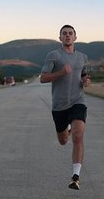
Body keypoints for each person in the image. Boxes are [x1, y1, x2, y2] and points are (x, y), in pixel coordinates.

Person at [40, 24, 91, 190]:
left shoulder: (83, 57)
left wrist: (86, 81)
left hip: (78, 101)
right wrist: (61, 73)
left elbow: (84, 75)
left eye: (70, 33)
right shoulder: (54, 55)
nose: (68, 36)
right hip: (59, 105)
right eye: (64, 34)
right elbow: (43, 78)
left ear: (75, 37)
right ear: (60, 38)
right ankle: (66, 129)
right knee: (63, 141)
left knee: (78, 136)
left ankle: (75, 177)